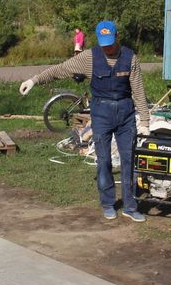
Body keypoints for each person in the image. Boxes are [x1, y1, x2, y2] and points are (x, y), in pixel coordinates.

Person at [21, 20, 150, 222]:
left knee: (128, 160)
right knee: (104, 160)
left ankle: (130, 206)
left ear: (117, 37)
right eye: (103, 43)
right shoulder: (89, 57)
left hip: (126, 114)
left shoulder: (130, 58)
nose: (106, 47)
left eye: (110, 42)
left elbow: (139, 90)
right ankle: (108, 203)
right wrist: (34, 80)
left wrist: (145, 121)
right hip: (101, 114)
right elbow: (60, 69)